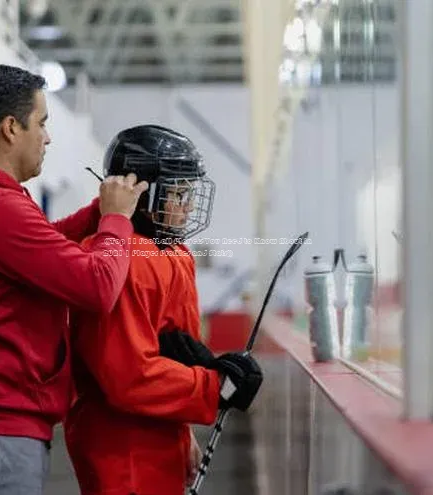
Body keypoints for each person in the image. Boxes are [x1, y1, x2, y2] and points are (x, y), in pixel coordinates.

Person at [0, 63, 148, 495]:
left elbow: (40, 247)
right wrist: (116, 221)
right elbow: (98, 288)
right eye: (41, 122)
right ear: (10, 128)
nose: (48, 136)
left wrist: (97, 212)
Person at [63, 124, 264, 495]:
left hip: (160, 437)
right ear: (142, 195)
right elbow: (128, 377)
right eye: (178, 193)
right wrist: (212, 387)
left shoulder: (175, 254)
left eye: (190, 192)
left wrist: (183, 427)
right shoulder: (121, 258)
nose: (188, 206)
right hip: (123, 448)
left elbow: (173, 352)